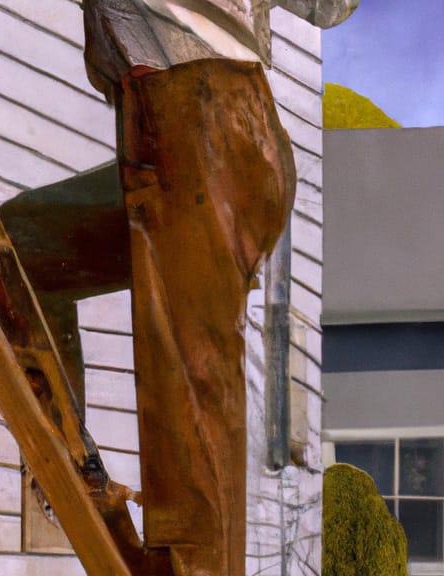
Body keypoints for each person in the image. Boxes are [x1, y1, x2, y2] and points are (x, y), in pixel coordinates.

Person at [81, 1, 295, 574]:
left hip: (200, 115)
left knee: (196, 372)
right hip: (199, 125)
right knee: (25, 247)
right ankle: (75, 468)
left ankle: (193, 564)